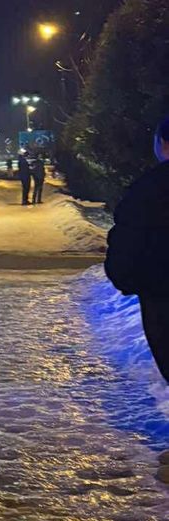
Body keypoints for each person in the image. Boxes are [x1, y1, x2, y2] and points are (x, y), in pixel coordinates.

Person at [104, 115, 169, 382]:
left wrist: (129, 281)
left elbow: (128, 245)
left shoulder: (150, 189)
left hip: (162, 297)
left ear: (162, 143)